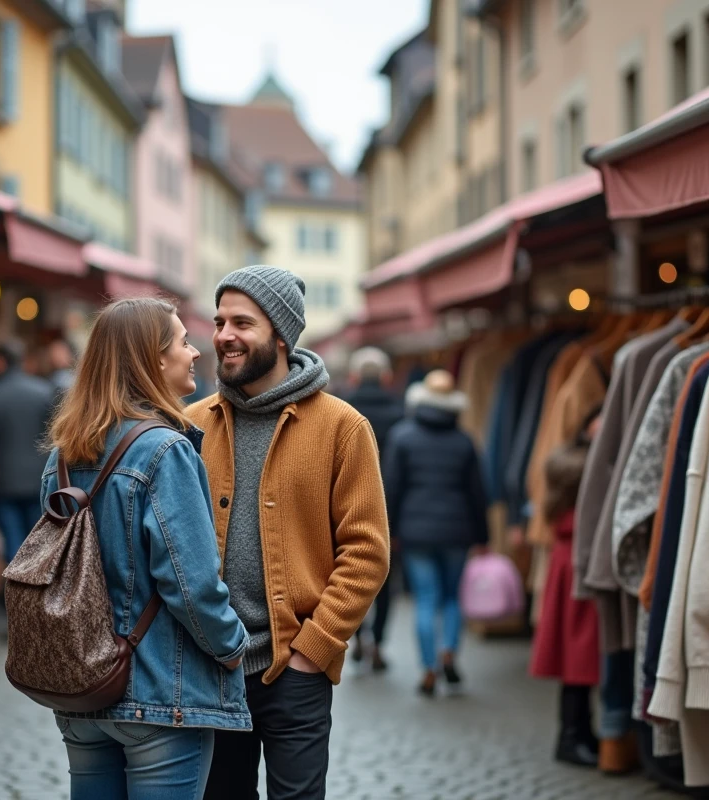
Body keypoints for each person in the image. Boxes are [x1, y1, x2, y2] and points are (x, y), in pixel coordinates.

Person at [191, 265, 390, 800]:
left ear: (280, 333)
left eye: (241, 323)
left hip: (293, 670)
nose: (223, 336)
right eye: (218, 322)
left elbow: (367, 551)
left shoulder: (342, 427)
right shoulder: (189, 424)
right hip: (208, 670)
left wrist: (314, 648)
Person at [43, 297, 249, 800]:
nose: (196, 352)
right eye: (183, 341)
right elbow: (192, 583)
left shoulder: (64, 454)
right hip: (158, 693)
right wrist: (232, 646)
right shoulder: (165, 448)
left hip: (82, 689)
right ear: (153, 359)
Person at [382, 370, 489, 697]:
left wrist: (390, 530)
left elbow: (391, 489)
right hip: (457, 530)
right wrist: (483, 536)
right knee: (452, 597)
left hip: (415, 531)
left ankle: (428, 668)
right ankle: (449, 653)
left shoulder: (402, 437)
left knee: (425, 598)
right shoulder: (464, 440)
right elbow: (477, 493)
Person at [529, 413, 601, 767]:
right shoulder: (583, 469)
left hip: (570, 564)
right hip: (578, 567)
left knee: (577, 660)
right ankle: (573, 735)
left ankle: (578, 732)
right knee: (579, 659)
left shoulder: (563, 467)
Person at [339, 346, 403, 672]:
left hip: (346, 508)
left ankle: (360, 636)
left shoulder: (340, 411)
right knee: (384, 580)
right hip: (390, 510)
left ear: (353, 376)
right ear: (387, 377)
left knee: (350, 574)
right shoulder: (400, 412)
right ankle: (377, 640)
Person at [0, 338, 56, 563]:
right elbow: (54, 436)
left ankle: (13, 595)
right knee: (37, 542)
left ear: (0, 362)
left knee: (12, 543)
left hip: (2, 481)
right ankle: (37, 594)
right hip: (39, 479)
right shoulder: (44, 391)